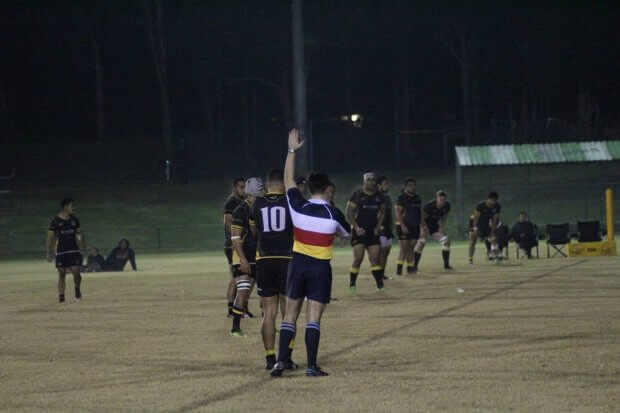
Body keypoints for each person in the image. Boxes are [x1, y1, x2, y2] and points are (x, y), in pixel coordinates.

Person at [271, 129, 350, 378]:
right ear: (327, 189)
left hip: (297, 266)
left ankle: (281, 362)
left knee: (290, 315)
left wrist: (291, 150)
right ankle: (311, 366)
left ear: (310, 188)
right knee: (313, 317)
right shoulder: (333, 214)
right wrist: (336, 235)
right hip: (319, 269)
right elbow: (347, 235)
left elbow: (288, 181)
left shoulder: (297, 206)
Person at [251, 168, 298, 370]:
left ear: (268, 183)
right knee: (289, 312)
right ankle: (285, 358)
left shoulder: (257, 203)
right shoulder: (289, 201)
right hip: (287, 259)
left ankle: (270, 359)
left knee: (268, 313)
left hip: (265, 260)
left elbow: (254, 232)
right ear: (283, 183)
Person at [229, 177, 264, 337]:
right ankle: (235, 328)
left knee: (266, 293)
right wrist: (242, 259)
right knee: (242, 292)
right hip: (243, 257)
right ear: (256, 191)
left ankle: (268, 325)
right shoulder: (240, 210)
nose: (265, 192)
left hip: (258, 256)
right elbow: (235, 238)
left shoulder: (260, 208)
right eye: (262, 189)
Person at [346, 172, 386, 292]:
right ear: (364, 181)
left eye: (373, 180)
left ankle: (380, 285)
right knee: (358, 258)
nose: (371, 182)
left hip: (372, 232)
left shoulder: (379, 195)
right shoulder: (357, 194)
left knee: (375, 259)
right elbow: (349, 213)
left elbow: (383, 212)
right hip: (360, 233)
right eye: (369, 180)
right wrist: (356, 227)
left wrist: (378, 227)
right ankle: (352, 284)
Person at [46, 197, 86, 303]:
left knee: (76, 274)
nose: (73, 208)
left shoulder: (75, 219)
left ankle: (77, 290)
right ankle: (61, 298)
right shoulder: (54, 221)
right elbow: (50, 237)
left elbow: (78, 233)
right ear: (65, 207)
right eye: (71, 206)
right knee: (62, 274)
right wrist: (48, 252)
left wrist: (82, 241)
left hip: (73, 251)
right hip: (61, 252)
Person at [223, 177, 246, 317]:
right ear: (235, 188)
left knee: (240, 277)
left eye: (245, 187)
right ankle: (231, 310)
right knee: (236, 277)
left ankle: (238, 309)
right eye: (241, 187)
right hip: (233, 245)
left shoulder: (240, 202)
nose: (243, 190)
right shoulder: (232, 202)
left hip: (238, 244)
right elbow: (227, 222)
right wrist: (232, 241)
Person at [416, 190, 453, 270]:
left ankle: (446, 266)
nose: (442, 202)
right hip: (424, 224)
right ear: (437, 199)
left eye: (444, 200)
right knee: (421, 243)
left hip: (434, 226)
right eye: (440, 199)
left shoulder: (447, 205)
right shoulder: (429, 205)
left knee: (446, 241)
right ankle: (414, 267)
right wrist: (424, 227)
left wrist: (441, 227)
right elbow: (421, 216)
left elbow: (444, 217)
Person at [394, 178, 422, 275]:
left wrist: (422, 224)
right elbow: (398, 213)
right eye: (410, 185)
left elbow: (420, 212)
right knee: (403, 248)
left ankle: (410, 269)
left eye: (414, 185)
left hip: (415, 226)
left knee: (411, 248)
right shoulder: (401, 198)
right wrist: (403, 226)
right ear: (405, 186)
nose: (412, 187)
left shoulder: (417, 197)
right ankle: (399, 271)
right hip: (404, 226)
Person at [469, 192, 501, 264]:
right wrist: (475, 229)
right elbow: (476, 218)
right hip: (476, 221)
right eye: (492, 200)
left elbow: (495, 220)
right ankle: (470, 259)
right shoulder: (480, 205)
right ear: (488, 199)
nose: (493, 202)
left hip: (487, 223)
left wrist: (492, 232)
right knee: (473, 239)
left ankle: (496, 258)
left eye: (495, 200)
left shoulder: (497, 206)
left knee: (493, 238)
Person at [377, 176, 394, 279]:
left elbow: (389, 213)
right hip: (380, 228)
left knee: (386, 252)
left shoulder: (387, 198)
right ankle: (378, 274)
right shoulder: (375, 197)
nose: (387, 186)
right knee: (381, 252)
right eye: (385, 184)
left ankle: (382, 274)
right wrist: (378, 225)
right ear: (379, 185)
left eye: (387, 184)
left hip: (388, 228)